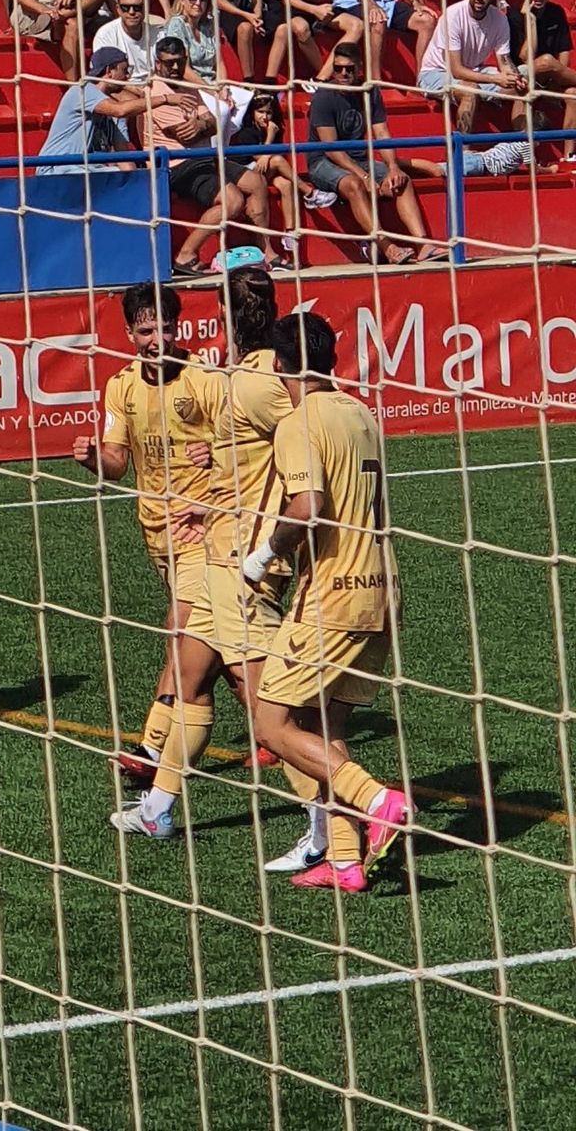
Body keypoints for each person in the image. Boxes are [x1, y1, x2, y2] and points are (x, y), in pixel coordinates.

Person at [111, 266, 291, 841]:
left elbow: (300, 460)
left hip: (243, 557)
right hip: (214, 545)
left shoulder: (250, 383)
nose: (158, 337)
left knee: (271, 711)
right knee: (195, 679)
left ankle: (351, 811)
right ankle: (158, 805)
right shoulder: (242, 376)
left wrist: (258, 532)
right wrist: (211, 493)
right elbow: (242, 460)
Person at [247, 312, 407, 892]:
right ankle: (344, 863)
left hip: (333, 596)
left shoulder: (298, 423)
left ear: (277, 363)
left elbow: (308, 504)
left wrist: (264, 555)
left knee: (272, 723)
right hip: (383, 592)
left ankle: (377, 800)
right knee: (324, 723)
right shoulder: (361, 412)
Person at [74, 283, 209, 778]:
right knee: (218, 654)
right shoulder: (121, 387)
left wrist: (215, 457)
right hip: (156, 531)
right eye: (147, 329)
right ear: (130, 332)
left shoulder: (204, 378)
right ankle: (281, 732)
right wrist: (94, 460)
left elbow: (244, 445)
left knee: (180, 632)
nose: (158, 338)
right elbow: (116, 462)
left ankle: (152, 749)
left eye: (166, 328)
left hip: (204, 528)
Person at [307, 44, 447, 264]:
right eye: (338, 68)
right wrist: (365, 177)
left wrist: (392, 167)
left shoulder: (369, 91)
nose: (343, 74)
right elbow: (331, 149)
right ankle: (387, 247)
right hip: (323, 162)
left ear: (360, 68)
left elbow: (381, 131)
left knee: (402, 180)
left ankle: (423, 245)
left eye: (349, 69)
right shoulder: (323, 97)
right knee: (355, 184)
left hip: (359, 159)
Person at [148, 36, 267, 273]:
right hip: (175, 165)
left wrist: (202, 124)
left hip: (202, 158)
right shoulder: (154, 91)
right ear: (157, 64)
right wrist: (203, 125)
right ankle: (185, 255)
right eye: (168, 63)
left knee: (257, 181)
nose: (174, 68)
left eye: (179, 62)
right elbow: (186, 135)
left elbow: (213, 123)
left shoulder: (187, 86)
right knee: (232, 201)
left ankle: (265, 251)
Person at [416, 0, 528, 143]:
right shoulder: (453, 15)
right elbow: (457, 70)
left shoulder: (499, 19)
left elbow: (504, 60)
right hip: (436, 73)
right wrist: (496, 79)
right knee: (470, 90)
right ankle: (464, 153)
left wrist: (515, 77)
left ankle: (523, 149)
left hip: (474, 71)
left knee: (524, 79)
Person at [229, 92, 337, 267]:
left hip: (264, 172)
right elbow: (262, 159)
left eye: (269, 113)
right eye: (260, 112)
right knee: (278, 160)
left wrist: (270, 143)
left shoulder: (275, 129)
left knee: (286, 184)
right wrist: (270, 137)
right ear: (252, 113)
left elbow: (266, 161)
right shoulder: (247, 133)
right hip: (243, 174)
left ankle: (289, 233)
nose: (265, 117)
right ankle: (309, 193)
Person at [35, 47, 146, 173]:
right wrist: (165, 99)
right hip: (57, 169)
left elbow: (124, 159)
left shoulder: (113, 113)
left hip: (90, 171)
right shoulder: (82, 91)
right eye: (124, 70)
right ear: (109, 71)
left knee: (119, 175)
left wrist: (135, 184)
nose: (127, 76)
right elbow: (120, 110)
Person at [509, 0, 576, 152]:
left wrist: (558, 82)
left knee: (572, 93)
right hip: (524, 74)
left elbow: (564, 53)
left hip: (551, 76)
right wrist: (530, 21)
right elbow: (524, 58)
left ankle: (569, 155)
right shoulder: (515, 15)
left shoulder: (556, 12)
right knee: (545, 60)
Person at [159, 0, 220, 83]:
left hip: (212, 83)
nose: (198, 3)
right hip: (190, 84)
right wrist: (211, 90)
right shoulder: (177, 25)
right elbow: (184, 70)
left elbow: (220, 63)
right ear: (182, 0)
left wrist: (222, 86)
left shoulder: (208, 25)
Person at [92, 0, 155, 80]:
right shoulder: (105, 35)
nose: (131, 12)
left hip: (155, 85)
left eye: (137, 7)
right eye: (125, 7)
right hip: (121, 88)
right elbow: (105, 78)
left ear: (146, 8)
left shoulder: (158, 34)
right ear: (118, 9)